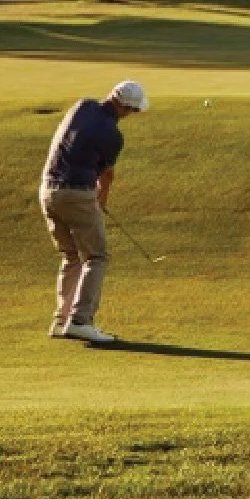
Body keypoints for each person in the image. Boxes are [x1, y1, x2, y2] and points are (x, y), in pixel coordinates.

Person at [38, 80, 148, 343]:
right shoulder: (113, 136)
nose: (131, 115)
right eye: (132, 111)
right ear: (125, 107)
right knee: (96, 256)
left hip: (47, 191)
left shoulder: (82, 106)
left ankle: (61, 320)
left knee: (72, 255)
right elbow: (106, 175)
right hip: (76, 194)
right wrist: (100, 203)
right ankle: (80, 321)